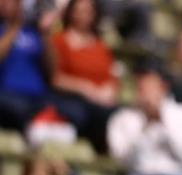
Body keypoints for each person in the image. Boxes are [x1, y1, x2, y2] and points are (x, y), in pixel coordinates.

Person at [49, 0, 118, 151]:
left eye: (88, 11)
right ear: (70, 13)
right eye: (79, 10)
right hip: (71, 99)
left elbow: (111, 77)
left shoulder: (101, 46)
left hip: (100, 102)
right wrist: (84, 88)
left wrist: (108, 90)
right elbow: (55, 79)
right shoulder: (59, 41)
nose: (83, 15)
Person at [0, 0, 56, 132]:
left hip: (38, 96)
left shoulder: (34, 33)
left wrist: (45, 33)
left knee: (70, 111)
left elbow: (52, 70)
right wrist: (14, 28)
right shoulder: (3, 31)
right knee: (20, 109)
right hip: (7, 95)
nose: (7, 5)